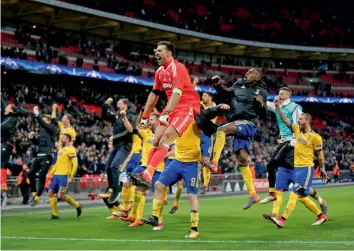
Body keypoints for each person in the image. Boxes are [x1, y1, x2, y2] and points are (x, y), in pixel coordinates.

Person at [130, 41, 200, 186]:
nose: (156, 53)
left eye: (160, 50)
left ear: (169, 53)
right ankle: (146, 175)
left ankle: (148, 175)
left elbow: (177, 92)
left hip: (186, 107)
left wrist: (166, 112)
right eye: (156, 50)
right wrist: (145, 116)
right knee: (155, 141)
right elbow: (154, 94)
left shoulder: (178, 68)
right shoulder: (159, 72)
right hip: (172, 107)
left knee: (166, 138)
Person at [211, 69, 268, 209]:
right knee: (242, 160)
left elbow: (264, 114)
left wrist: (261, 104)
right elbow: (226, 94)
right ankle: (253, 194)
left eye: (250, 73)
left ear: (257, 77)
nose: (246, 74)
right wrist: (218, 85)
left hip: (248, 123)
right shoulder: (238, 84)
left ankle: (214, 162)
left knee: (220, 130)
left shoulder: (262, 92)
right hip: (237, 123)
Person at [269, 100, 328, 227]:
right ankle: (321, 216)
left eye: (300, 119)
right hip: (297, 168)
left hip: (306, 169)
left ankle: (282, 220)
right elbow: (285, 120)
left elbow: (321, 156)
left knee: (294, 193)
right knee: (301, 197)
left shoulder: (315, 137)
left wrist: (322, 169)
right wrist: (278, 107)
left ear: (307, 121)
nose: (298, 121)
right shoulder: (297, 130)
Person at [141, 120, 201, 238]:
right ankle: (155, 217)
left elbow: (207, 137)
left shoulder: (197, 122)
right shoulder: (178, 121)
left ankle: (194, 229)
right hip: (177, 162)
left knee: (191, 195)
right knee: (159, 185)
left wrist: (207, 157)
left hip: (192, 164)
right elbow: (166, 134)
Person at [114, 113, 167, 227]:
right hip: (144, 166)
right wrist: (124, 118)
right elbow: (132, 130)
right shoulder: (146, 133)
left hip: (157, 169)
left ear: (158, 121)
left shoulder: (164, 134)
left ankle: (159, 221)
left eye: (151, 119)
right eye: (149, 119)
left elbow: (170, 150)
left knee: (157, 195)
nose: (149, 121)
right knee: (129, 184)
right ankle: (133, 215)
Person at [260, 87, 302, 203]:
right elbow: (265, 103)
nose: (279, 95)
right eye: (278, 93)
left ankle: (300, 172)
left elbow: (298, 125)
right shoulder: (278, 106)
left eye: (282, 94)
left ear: (288, 96)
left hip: (292, 141)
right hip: (282, 141)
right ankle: (272, 193)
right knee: (270, 166)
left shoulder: (295, 107)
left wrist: (295, 140)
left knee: (275, 162)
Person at [101, 98, 137, 203]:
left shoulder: (131, 116)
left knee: (114, 166)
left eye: (119, 103)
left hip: (125, 145)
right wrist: (106, 104)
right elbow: (105, 115)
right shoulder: (116, 115)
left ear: (125, 105)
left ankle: (116, 190)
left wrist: (114, 137)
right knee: (108, 167)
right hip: (117, 145)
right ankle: (112, 187)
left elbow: (129, 131)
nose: (117, 104)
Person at [29, 106, 59, 206]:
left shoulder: (52, 128)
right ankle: (34, 193)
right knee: (30, 173)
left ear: (49, 120)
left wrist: (37, 113)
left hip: (47, 155)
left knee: (42, 175)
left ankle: (37, 197)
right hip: (39, 155)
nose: (42, 121)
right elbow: (38, 143)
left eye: (44, 119)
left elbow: (42, 121)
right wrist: (32, 138)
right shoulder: (42, 131)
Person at [47, 134, 82, 219]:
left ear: (67, 139)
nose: (61, 138)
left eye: (63, 137)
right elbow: (57, 164)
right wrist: (50, 173)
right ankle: (55, 214)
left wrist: (71, 176)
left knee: (60, 196)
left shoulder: (71, 149)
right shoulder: (60, 150)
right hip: (56, 175)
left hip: (64, 175)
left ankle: (77, 205)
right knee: (50, 193)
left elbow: (75, 163)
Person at [1, 99, 27, 206]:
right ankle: (5, 174)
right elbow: (3, 105)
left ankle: (3, 184)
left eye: (8, 107)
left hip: (7, 143)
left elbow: (3, 126)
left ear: (11, 110)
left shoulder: (12, 118)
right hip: (5, 142)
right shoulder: (9, 116)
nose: (5, 108)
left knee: (1, 161)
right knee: (2, 162)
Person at [199, 92, 217, 194]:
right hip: (197, 135)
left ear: (210, 97)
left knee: (205, 160)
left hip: (207, 135)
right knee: (199, 161)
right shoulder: (202, 104)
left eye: (205, 96)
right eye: (202, 96)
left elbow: (207, 114)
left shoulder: (213, 106)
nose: (202, 97)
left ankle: (205, 184)